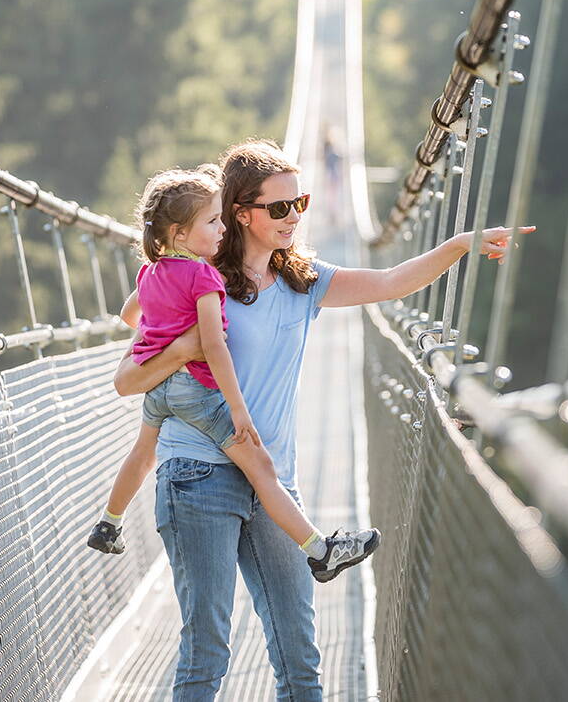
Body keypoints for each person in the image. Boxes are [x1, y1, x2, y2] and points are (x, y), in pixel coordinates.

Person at [113, 138, 530, 702]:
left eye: (299, 204)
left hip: (274, 482)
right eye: (279, 208)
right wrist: (185, 345)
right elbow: (128, 378)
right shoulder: (196, 280)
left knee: (299, 657)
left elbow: (388, 283)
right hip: (199, 476)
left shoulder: (302, 282)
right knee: (207, 651)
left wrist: (460, 244)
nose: (293, 218)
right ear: (241, 213)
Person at [86, 164, 381, 582]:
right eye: (212, 221)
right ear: (181, 233)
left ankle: (109, 521)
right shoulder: (205, 276)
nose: (222, 228)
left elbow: (129, 316)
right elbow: (214, 347)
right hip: (196, 392)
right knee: (261, 467)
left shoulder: (149, 273)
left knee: (142, 451)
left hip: (159, 391)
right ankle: (320, 550)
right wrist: (239, 411)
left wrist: (167, 321)